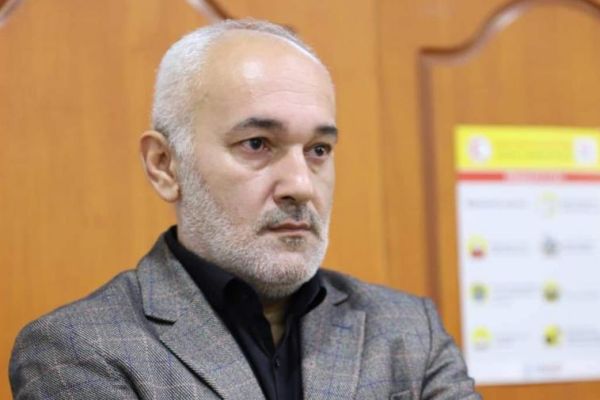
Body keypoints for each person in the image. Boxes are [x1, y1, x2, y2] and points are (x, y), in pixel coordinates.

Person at [9, 19, 481, 399]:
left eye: (318, 150)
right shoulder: (79, 349)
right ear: (165, 165)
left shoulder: (407, 328)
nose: (301, 186)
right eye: (257, 144)